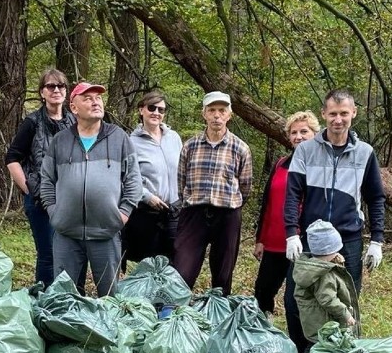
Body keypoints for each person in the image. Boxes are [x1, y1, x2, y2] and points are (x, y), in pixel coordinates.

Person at [283, 88, 385, 353]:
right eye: (332, 114)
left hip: (348, 237)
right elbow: (293, 194)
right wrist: (291, 233)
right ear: (323, 114)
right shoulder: (305, 150)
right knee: (296, 300)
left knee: (345, 300)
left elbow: (375, 197)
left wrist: (377, 241)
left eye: (343, 113)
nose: (338, 120)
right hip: (310, 239)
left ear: (354, 113)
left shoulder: (365, 153)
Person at [39, 82, 142, 297]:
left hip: (106, 232)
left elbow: (133, 180)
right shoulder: (61, 140)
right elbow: (47, 180)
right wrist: (53, 211)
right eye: (87, 98)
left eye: (98, 98)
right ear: (74, 108)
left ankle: (109, 330)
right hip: (67, 233)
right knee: (65, 296)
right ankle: (67, 330)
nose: (95, 102)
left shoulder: (118, 137)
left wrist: (121, 215)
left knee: (109, 297)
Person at [173, 91, 253, 296]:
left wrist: (230, 204)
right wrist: (190, 203)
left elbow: (245, 187)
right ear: (204, 114)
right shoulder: (190, 146)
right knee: (183, 269)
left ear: (229, 115)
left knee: (223, 273)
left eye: (221, 111)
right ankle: (173, 313)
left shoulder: (240, 148)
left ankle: (219, 312)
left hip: (227, 214)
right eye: (212, 110)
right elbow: (181, 181)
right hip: (194, 213)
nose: (217, 115)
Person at [5, 69, 75, 287]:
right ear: (42, 93)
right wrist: (28, 189)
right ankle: (44, 301)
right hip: (40, 199)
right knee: (48, 253)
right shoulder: (32, 122)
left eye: (61, 86)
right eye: (50, 86)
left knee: (70, 252)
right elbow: (12, 158)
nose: (56, 90)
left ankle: (68, 298)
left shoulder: (74, 122)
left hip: (70, 198)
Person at [252, 111, 319, 315]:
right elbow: (268, 202)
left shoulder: (319, 166)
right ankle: (264, 329)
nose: (298, 136)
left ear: (315, 134)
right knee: (263, 290)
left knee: (295, 296)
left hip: (303, 242)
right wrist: (260, 239)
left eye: (304, 131)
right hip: (274, 241)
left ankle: (299, 340)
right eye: (293, 132)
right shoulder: (281, 163)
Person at [122, 90, 182, 266]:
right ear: (141, 110)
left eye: (161, 110)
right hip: (147, 212)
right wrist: (146, 196)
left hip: (174, 210)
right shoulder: (130, 142)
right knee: (149, 262)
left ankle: (167, 294)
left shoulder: (174, 138)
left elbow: (183, 169)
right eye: (152, 107)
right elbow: (128, 177)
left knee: (173, 261)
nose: (156, 113)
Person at [292, 219, 360, 345]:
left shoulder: (315, 266)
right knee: (320, 348)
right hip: (325, 325)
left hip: (318, 324)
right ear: (328, 251)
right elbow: (328, 299)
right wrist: (346, 315)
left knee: (317, 345)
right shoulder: (323, 274)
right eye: (336, 250)